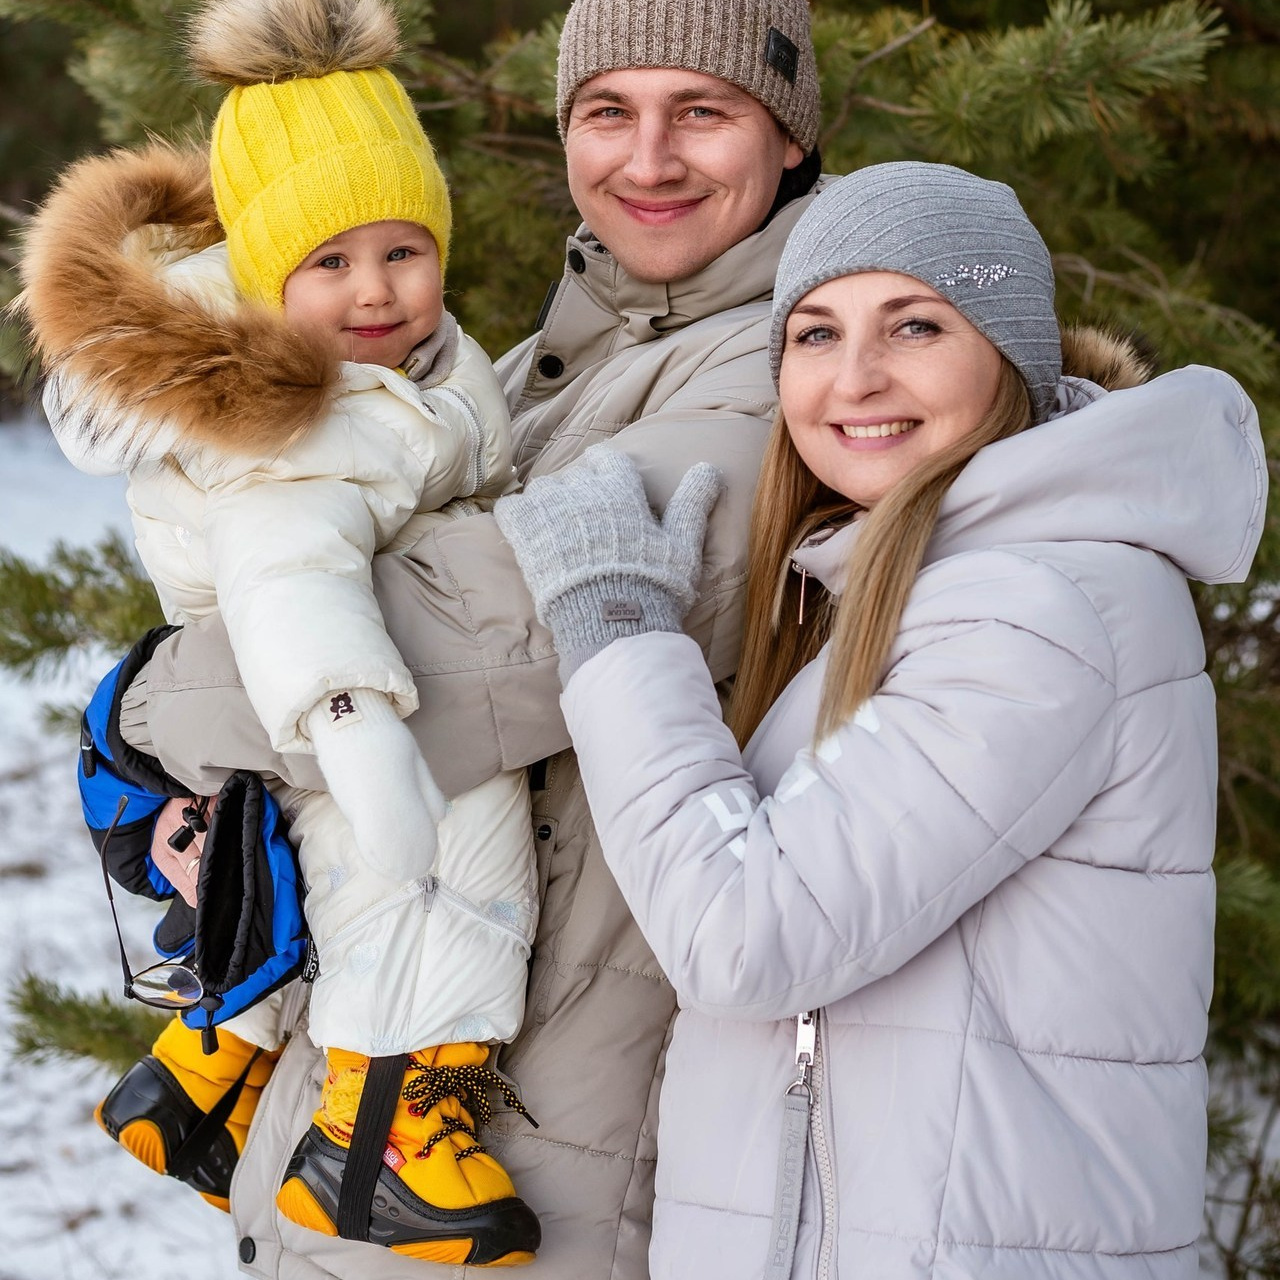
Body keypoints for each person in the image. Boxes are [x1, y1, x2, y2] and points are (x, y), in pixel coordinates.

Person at [40, 1, 827, 1274]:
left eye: (704, 111)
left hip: (538, 1153)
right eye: (606, 113)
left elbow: (474, 650)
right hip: (358, 1133)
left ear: (787, 134)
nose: (649, 158)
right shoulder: (503, 372)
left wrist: (140, 714)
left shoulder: (792, 374)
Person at [491, 161, 1267, 1278]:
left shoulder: (1037, 610)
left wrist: (618, 635)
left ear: (1006, 353)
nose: (852, 378)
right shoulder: (895, 587)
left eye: (912, 325)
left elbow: (746, 935)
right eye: (812, 333)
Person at [22, 0, 543, 1264]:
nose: (374, 290)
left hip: (276, 695)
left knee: (299, 894)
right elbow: (287, 568)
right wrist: (351, 724)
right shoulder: (300, 414)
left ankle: (200, 1081)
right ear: (263, 272)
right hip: (325, 687)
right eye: (329, 262)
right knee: (449, 883)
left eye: (403, 250)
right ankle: (382, 1150)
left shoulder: (390, 368)